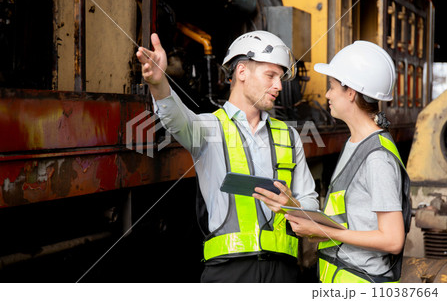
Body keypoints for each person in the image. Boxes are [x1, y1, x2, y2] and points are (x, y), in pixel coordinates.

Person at [136, 31, 319, 283]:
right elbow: (177, 119)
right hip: (228, 273)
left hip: (283, 272)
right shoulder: (209, 128)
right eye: (271, 75)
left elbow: (310, 201)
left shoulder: (289, 136)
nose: (278, 85)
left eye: (280, 77)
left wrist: (293, 206)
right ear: (242, 72)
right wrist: (158, 84)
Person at [282, 41, 411, 283]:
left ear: (350, 92)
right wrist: (296, 208)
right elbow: (351, 217)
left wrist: (323, 232)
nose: (327, 94)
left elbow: (393, 240)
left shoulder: (377, 158)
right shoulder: (356, 143)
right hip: (344, 278)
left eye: (331, 87)